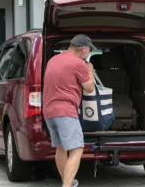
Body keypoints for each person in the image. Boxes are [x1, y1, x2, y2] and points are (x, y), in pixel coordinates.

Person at [43, 34, 97, 187]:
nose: (89, 53)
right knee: (77, 149)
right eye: (90, 50)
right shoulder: (78, 64)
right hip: (65, 111)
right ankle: (66, 186)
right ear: (83, 49)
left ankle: (68, 182)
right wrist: (90, 70)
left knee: (61, 148)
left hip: (49, 111)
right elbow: (90, 88)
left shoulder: (53, 60)